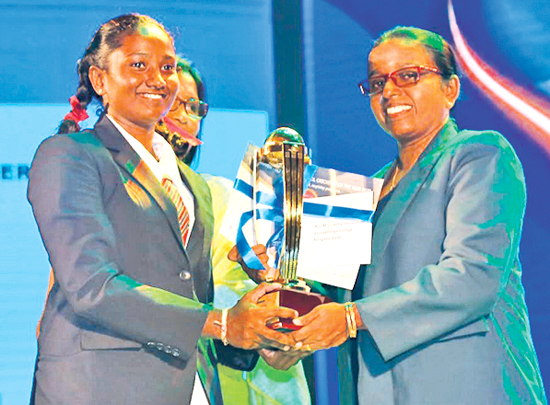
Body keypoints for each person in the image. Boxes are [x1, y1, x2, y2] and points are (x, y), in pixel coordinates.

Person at [263, 26, 547, 404]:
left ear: (451, 89)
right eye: (377, 83)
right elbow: (332, 294)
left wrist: (349, 319)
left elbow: (472, 277)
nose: (390, 92)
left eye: (408, 76)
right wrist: (291, 321)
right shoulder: (360, 192)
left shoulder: (479, 154)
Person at [27, 14, 298, 405]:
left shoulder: (194, 186)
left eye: (167, 67)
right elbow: (92, 287)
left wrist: (258, 336)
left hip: (191, 390)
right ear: (100, 80)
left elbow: (190, 300)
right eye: (138, 64)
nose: (157, 78)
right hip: (100, 390)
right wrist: (223, 324)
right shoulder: (70, 156)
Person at [159, 56, 312, 405]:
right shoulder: (112, 193)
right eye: (171, 102)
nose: (182, 116)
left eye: (193, 106)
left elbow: (259, 291)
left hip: (229, 381)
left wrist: (283, 316)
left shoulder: (221, 197)